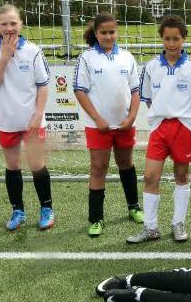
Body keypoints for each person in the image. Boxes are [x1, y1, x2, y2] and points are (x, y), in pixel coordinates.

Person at [127, 15, 191, 243]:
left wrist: (183, 119)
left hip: (182, 128)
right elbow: (149, 99)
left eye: (176, 39)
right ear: (162, 39)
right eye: (167, 39)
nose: (171, 43)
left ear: (183, 39)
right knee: (151, 176)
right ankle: (150, 228)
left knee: (181, 175)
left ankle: (178, 224)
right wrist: (162, 115)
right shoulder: (151, 67)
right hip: (159, 128)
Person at [0, 4, 54, 231]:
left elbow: (43, 86)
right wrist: (4, 58)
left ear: (21, 24)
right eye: (4, 24)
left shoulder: (33, 51)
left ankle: (47, 209)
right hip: (8, 121)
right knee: (12, 166)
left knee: (37, 165)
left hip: (32, 120)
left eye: (13, 23)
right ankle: (18, 210)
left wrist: (38, 114)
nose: (9, 28)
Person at [73, 12, 144, 238]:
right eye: (103, 32)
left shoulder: (127, 57)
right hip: (98, 127)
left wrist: (131, 117)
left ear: (117, 32)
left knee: (126, 164)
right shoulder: (86, 58)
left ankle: (134, 207)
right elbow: (80, 91)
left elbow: (136, 91)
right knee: (98, 167)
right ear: (96, 33)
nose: (108, 36)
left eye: (112, 32)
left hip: (124, 125)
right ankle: (96, 218)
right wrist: (97, 119)